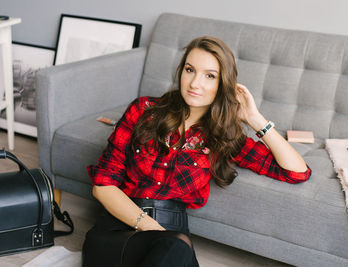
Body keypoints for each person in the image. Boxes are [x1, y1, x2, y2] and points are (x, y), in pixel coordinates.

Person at [82, 36, 311, 267]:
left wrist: (255, 118)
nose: (194, 83)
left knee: (174, 249)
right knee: (176, 247)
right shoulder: (143, 110)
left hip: (171, 240)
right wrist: (153, 230)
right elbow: (103, 186)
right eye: (190, 70)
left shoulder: (223, 135)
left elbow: (297, 171)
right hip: (118, 232)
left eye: (209, 76)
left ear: (223, 84)